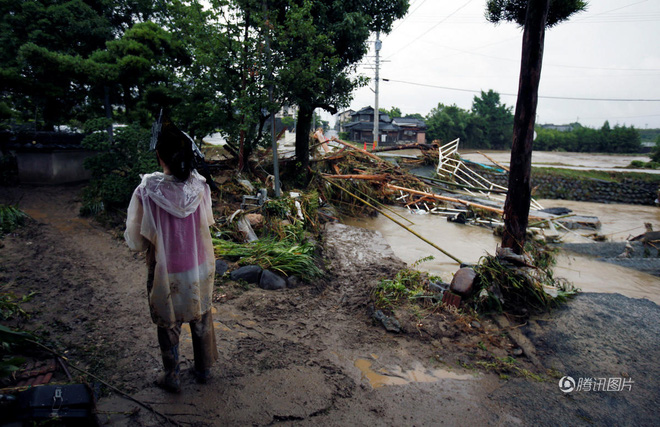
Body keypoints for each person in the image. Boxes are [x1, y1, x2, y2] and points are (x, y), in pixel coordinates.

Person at [124, 115, 217, 393]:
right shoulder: (200, 186)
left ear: (159, 156)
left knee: (168, 320)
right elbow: (206, 223)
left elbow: (137, 238)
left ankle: (172, 375)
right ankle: (203, 369)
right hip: (198, 263)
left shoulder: (147, 190)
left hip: (165, 267)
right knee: (200, 313)